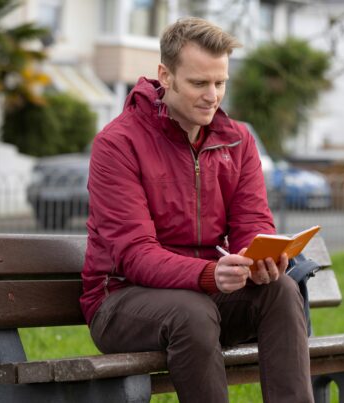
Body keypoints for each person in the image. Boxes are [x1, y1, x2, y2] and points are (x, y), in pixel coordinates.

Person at [80, 17, 314, 403]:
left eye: (220, 83)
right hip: (122, 300)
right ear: (165, 75)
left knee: (281, 290)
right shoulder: (118, 144)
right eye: (199, 83)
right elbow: (134, 253)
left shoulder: (238, 141)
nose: (212, 95)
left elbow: (252, 222)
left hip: (206, 298)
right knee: (190, 311)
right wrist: (208, 274)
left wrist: (260, 259)